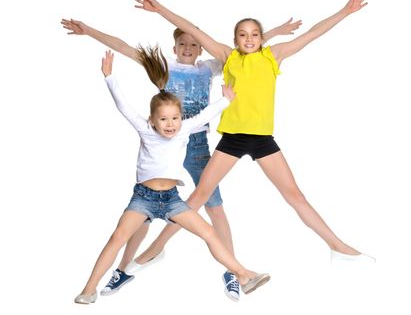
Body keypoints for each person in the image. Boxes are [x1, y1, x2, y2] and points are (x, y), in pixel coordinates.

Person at [130, 0, 376, 269]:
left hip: (262, 139)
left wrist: (346, 11)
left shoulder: (274, 56)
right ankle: (153, 251)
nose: (249, 39)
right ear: (235, 39)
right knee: (198, 197)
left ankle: (338, 246)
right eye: (243, 34)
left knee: (294, 195)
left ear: (261, 38)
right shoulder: (228, 56)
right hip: (233, 139)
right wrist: (159, 8)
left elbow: (312, 35)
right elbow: (191, 29)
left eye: (254, 34)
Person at [61, 17, 301, 301]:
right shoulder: (164, 66)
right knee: (141, 216)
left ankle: (233, 271)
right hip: (162, 144)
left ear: (202, 49)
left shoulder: (210, 67)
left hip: (195, 141)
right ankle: (123, 269)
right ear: (173, 47)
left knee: (214, 207)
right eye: (182, 43)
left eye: (194, 44)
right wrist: (88, 31)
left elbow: (246, 49)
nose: (188, 48)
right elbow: (122, 46)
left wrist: (273, 33)